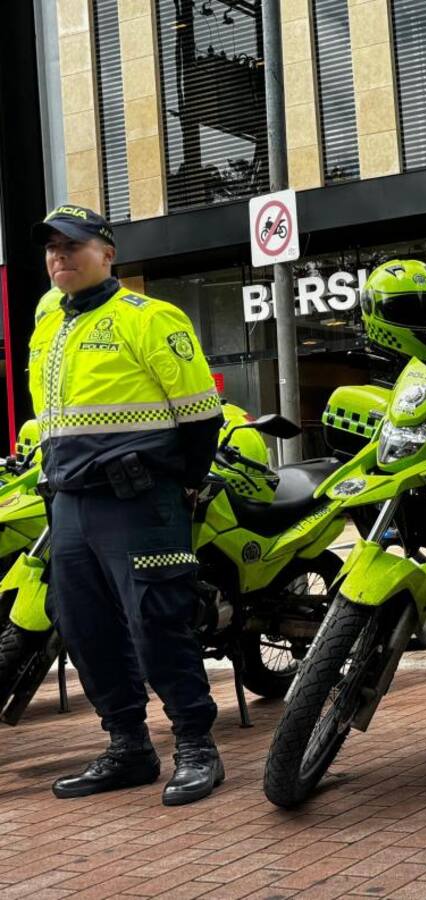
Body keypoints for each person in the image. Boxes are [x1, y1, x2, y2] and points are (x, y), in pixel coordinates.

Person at [28, 204, 225, 805]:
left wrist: (185, 483)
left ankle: (196, 746)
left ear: (107, 254)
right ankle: (128, 746)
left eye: (74, 245)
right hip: (69, 502)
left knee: (157, 623)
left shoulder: (149, 318)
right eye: (52, 247)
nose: (60, 256)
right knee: (84, 628)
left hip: (138, 500)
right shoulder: (48, 327)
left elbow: (200, 415)